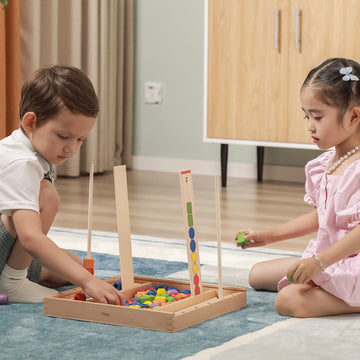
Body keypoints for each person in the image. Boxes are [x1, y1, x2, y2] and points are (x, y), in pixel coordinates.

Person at [236, 58, 360, 318]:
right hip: (332, 258)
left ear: (354, 115)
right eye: (306, 116)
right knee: (257, 274)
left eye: (317, 117)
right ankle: (330, 281)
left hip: (348, 259)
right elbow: (322, 216)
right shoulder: (327, 163)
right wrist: (268, 236)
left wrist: (320, 262)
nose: (310, 126)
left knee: (288, 301)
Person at [0, 65, 125, 305]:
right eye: (64, 137)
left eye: (80, 139)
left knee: (74, 266)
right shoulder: (21, 163)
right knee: (47, 196)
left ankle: (13, 276)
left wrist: (81, 276)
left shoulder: (36, 150)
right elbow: (30, 237)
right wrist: (88, 283)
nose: (72, 148)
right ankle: (12, 281)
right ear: (30, 122)